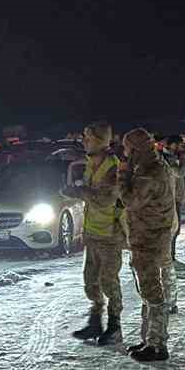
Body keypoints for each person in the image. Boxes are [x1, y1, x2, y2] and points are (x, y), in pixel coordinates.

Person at [116, 128, 178, 362]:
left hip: (149, 238)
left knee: (152, 292)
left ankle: (157, 344)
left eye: (126, 149)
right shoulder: (155, 165)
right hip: (151, 235)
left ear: (135, 149)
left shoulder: (150, 172)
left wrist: (122, 176)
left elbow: (131, 201)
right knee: (148, 290)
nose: (124, 154)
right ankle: (149, 339)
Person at [67, 122, 125, 346]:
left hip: (110, 234)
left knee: (108, 281)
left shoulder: (112, 167)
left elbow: (105, 199)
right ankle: (95, 321)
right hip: (93, 232)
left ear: (100, 140)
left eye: (88, 137)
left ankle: (115, 326)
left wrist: (78, 191)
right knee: (90, 280)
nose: (84, 141)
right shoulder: (92, 164)